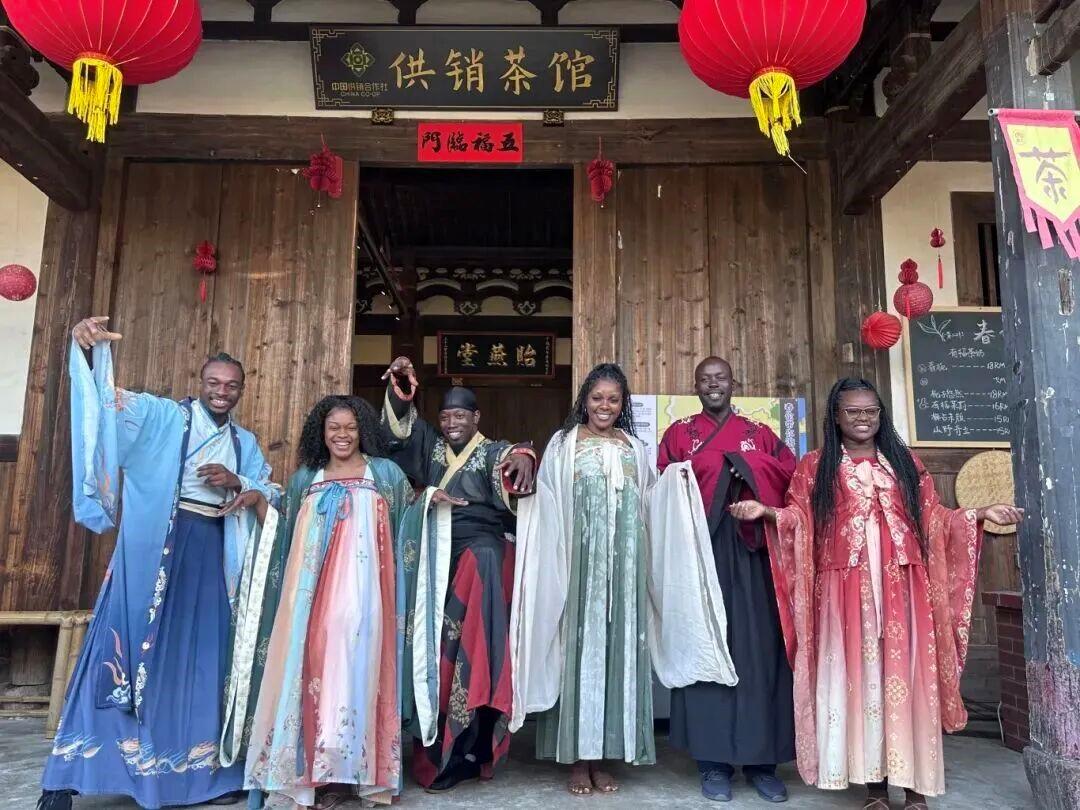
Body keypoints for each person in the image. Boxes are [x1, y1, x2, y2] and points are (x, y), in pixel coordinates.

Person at [730, 378, 1023, 809]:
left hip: (904, 585)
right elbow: (801, 518)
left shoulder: (904, 462)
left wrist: (977, 513)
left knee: (909, 678)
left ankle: (917, 789)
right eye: (853, 411)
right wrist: (768, 513)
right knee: (862, 681)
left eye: (871, 411)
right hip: (844, 589)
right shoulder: (815, 466)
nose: (863, 418)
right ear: (836, 416)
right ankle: (875, 788)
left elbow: (934, 518)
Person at [40, 317, 277, 810]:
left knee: (205, 658)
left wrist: (239, 482)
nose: (221, 392)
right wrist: (89, 353)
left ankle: (199, 775)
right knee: (124, 652)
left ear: (242, 390)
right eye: (213, 383)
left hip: (215, 552)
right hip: (158, 548)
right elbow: (106, 406)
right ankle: (68, 776)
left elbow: (268, 492)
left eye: (231, 386)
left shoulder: (245, 443)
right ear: (201, 382)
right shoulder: (165, 416)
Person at [241, 395, 413, 808]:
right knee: (317, 673)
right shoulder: (306, 478)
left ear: (363, 431)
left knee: (360, 672)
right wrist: (260, 503)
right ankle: (316, 774)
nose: (342, 435)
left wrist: (429, 504)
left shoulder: (384, 474)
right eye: (334, 427)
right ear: (321, 432)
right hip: (312, 603)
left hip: (368, 598)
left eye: (351, 427)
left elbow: (408, 522)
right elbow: (284, 533)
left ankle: (361, 775)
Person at [380, 357, 537, 792]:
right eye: (446, 416)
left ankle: (472, 747)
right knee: (431, 653)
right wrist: (399, 389)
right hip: (435, 551)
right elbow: (400, 430)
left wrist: (525, 457)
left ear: (476, 418)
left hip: (478, 550)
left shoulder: (490, 450)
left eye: (460, 416)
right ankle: (437, 750)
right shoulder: (432, 446)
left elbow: (514, 455)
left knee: (472, 648)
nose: (452, 423)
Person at [509, 363, 657, 795]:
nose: (604, 406)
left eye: (613, 399)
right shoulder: (564, 444)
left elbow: (649, 502)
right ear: (584, 401)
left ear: (622, 404)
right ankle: (576, 759)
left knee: (617, 652)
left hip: (625, 567)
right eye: (597, 398)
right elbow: (545, 498)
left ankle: (604, 755)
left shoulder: (635, 447)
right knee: (577, 653)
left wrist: (680, 484)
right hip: (577, 564)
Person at [657, 356, 797, 803]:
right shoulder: (679, 434)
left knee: (759, 653)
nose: (713, 385)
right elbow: (663, 485)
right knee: (705, 645)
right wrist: (720, 469)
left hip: (754, 555)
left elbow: (790, 475)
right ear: (695, 386)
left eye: (720, 378)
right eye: (705, 379)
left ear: (733, 384)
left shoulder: (759, 433)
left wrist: (749, 468)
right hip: (699, 556)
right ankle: (712, 762)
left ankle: (762, 763)